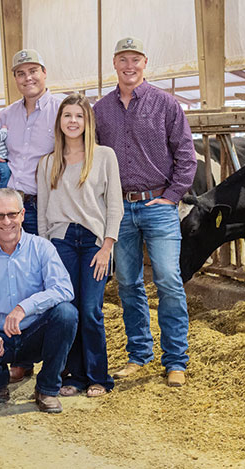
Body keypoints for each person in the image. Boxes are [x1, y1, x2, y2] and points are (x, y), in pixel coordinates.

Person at [93, 37, 197, 387]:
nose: (129, 66)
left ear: (145, 63)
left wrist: (172, 197)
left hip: (158, 205)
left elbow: (186, 154)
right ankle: (139, 354)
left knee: (168, 279)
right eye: (123, 59)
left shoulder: (166, 104)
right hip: (119, 208)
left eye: (135, 59)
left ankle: (176, 360)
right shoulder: (101, 110)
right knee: (127, 283)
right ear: (114, 64)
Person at [0, 49, 63, 383]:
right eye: (20, 73)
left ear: (44, 72)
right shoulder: (6, 114)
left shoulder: (60, 109)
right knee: (13, 276)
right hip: (9, 203)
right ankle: (21, 357)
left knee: (41, 275)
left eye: (33, 71)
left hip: (44, 204)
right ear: (15, 79)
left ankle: (53, 357)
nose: (28, 78)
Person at [0, 188, 78, 413]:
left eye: (12, 214)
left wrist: (25, 307)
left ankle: (47, 389)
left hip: (35, 333)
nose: (7, 221)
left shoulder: (42, 247)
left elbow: (64, 288)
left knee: (66, 313)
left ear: (23, 214)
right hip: (0, 340)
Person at [37, 92, 123, 398]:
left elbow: (115, 205)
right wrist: (47, 252)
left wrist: (107, 246)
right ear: (59, 122)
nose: (73, 122)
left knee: (90, 310)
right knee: (68, 309)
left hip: (92, 242)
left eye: (79, 116)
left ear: (88, 122)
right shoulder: (48, 162)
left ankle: (98, 375)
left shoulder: (104, 156)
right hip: (61, 242)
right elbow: (44, 213)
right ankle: (72, 375)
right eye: (67, 116)